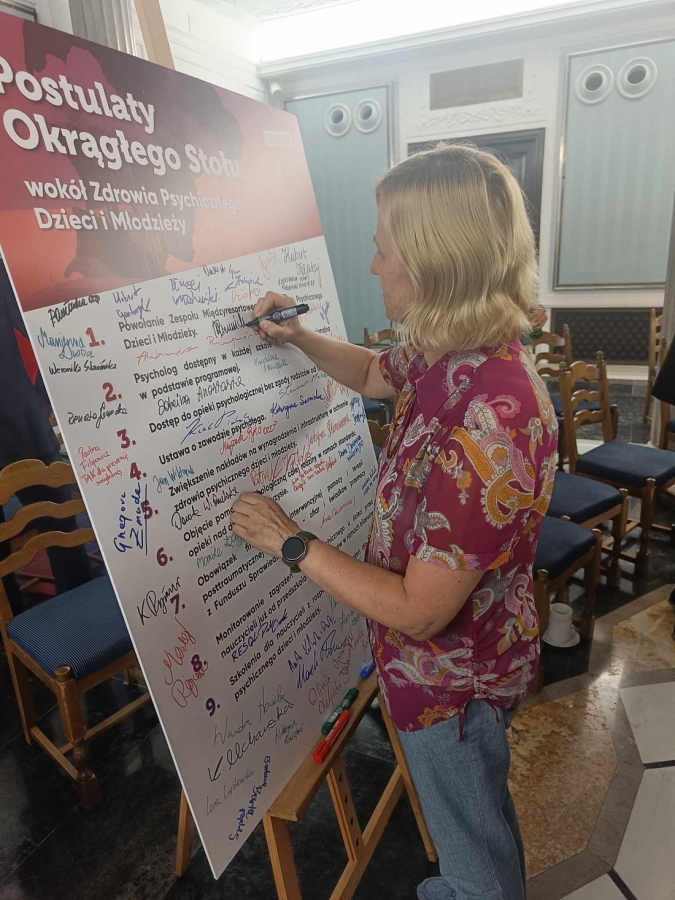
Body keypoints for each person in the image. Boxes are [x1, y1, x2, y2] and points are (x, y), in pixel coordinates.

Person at [232, 144, 558, 900]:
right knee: (479, 819)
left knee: (475, 872)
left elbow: (420, 610)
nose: (372, 264)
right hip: (451, 667)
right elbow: (375, 374)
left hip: (453, 685)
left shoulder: (493, 414)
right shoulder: (450, 350)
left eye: (384, 249)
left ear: (432, 263)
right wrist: (300, 337)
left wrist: (291, 542)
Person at [0, 259, 92, 615]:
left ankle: (77, 617)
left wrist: (41, 395)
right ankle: (26, 632)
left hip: (19, 419)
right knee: (59, 526)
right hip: (20, 417)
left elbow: (34, 329)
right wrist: (39, 396)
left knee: (61, 525)